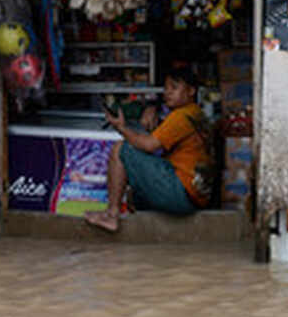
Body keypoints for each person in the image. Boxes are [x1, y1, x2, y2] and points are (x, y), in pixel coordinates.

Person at [84, 67, 214, 232]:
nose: (168, 92)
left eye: (174, 88)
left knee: (121, 149)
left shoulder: (182, 116)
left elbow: (149, 145)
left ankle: (112, 214)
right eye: (166, 88)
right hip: (195, 198)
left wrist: (121, 128)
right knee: (134, 192)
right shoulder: (197, 114)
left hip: (181, 194)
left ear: (191, 91)